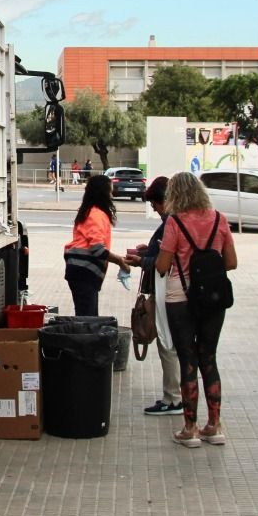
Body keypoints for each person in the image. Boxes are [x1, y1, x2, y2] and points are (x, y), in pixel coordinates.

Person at [154, 171, 237, 447]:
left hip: (180, 297)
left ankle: (190, 429)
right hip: (213, 296)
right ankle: (214, 425)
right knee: (209, 358)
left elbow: (162, 266)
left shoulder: (175, 222)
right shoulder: (219, 219)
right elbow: (231, 262)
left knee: (187, 359)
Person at [128, 176, 182, 415]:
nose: (155, 209)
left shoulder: (172, 222)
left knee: (167, 343)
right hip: (175, 292)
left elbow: (164, 262)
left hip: (167, 291)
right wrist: (147, 252)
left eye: (155, 204)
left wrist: (142, 261)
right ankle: (176, 397)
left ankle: (173, 398)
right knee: (173, 344)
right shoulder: (180, 220)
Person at [63, 174, 132, 317]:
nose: (112, 195)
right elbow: (98, 249)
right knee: (88, 319)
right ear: (103, 193)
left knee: (85, 315)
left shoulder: (88, 211)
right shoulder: (96, 214)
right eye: (110, 191)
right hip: (84, 272)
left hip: (78, 269)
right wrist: (120, 261)